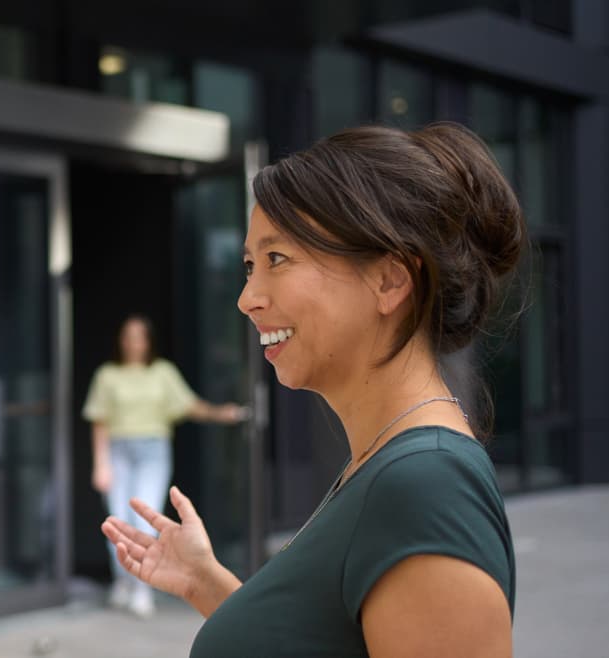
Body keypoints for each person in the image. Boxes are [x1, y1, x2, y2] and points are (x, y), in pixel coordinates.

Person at [103, 122, 523, 656]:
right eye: (250, 265)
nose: (247, 298)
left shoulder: (425, 486)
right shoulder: (387, 465)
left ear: (390, 280)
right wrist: (206, 583)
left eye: (277, 259)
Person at [82, 314, 244, 618]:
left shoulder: (162, 373)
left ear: (148, 341)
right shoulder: (108, 375)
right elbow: (99, 421)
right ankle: (124, 583)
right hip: (119, 450)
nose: (134, 342)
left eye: (139, 336)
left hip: (152, 450)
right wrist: (100, 464)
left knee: (143, 518)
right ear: (121, 340)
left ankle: (142, 588)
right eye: (128, 335)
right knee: (117, 520)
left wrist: (220, 413)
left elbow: (189, 404)